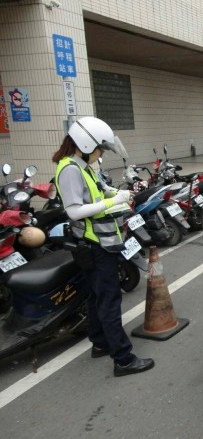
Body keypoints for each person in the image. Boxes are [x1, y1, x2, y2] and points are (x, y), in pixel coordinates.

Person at [52, 117, 155, 377]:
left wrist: (119, 194)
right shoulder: (70, 169)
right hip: (95, 245)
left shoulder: (82, 165)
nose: (101, 153)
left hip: (96, 243)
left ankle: (100, 343)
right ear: (87, 144)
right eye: (100, 148)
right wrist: (112, 203)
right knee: (109, 300)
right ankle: (123, 359)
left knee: (96, 296)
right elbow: (75, 211)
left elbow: (99, 190)